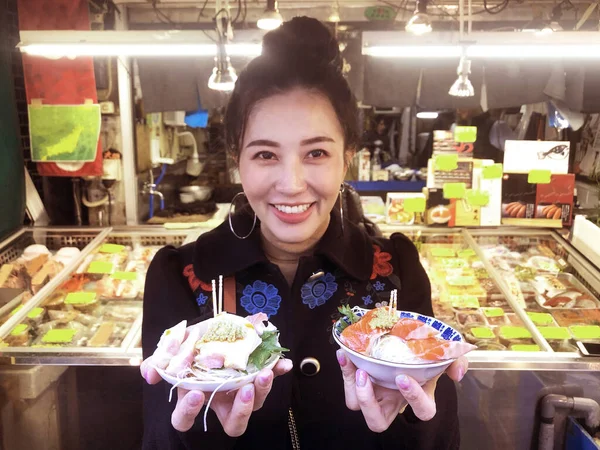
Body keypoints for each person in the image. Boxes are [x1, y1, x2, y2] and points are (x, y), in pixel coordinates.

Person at [140, 17, 467, 450]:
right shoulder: (181, 277)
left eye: (316, 152)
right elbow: (158, 436)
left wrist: (414, 422)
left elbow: (442, 439)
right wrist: (199, 435)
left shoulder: (394, 275)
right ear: (238, 160)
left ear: (347, 157)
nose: (292, 183)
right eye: (265, 154)